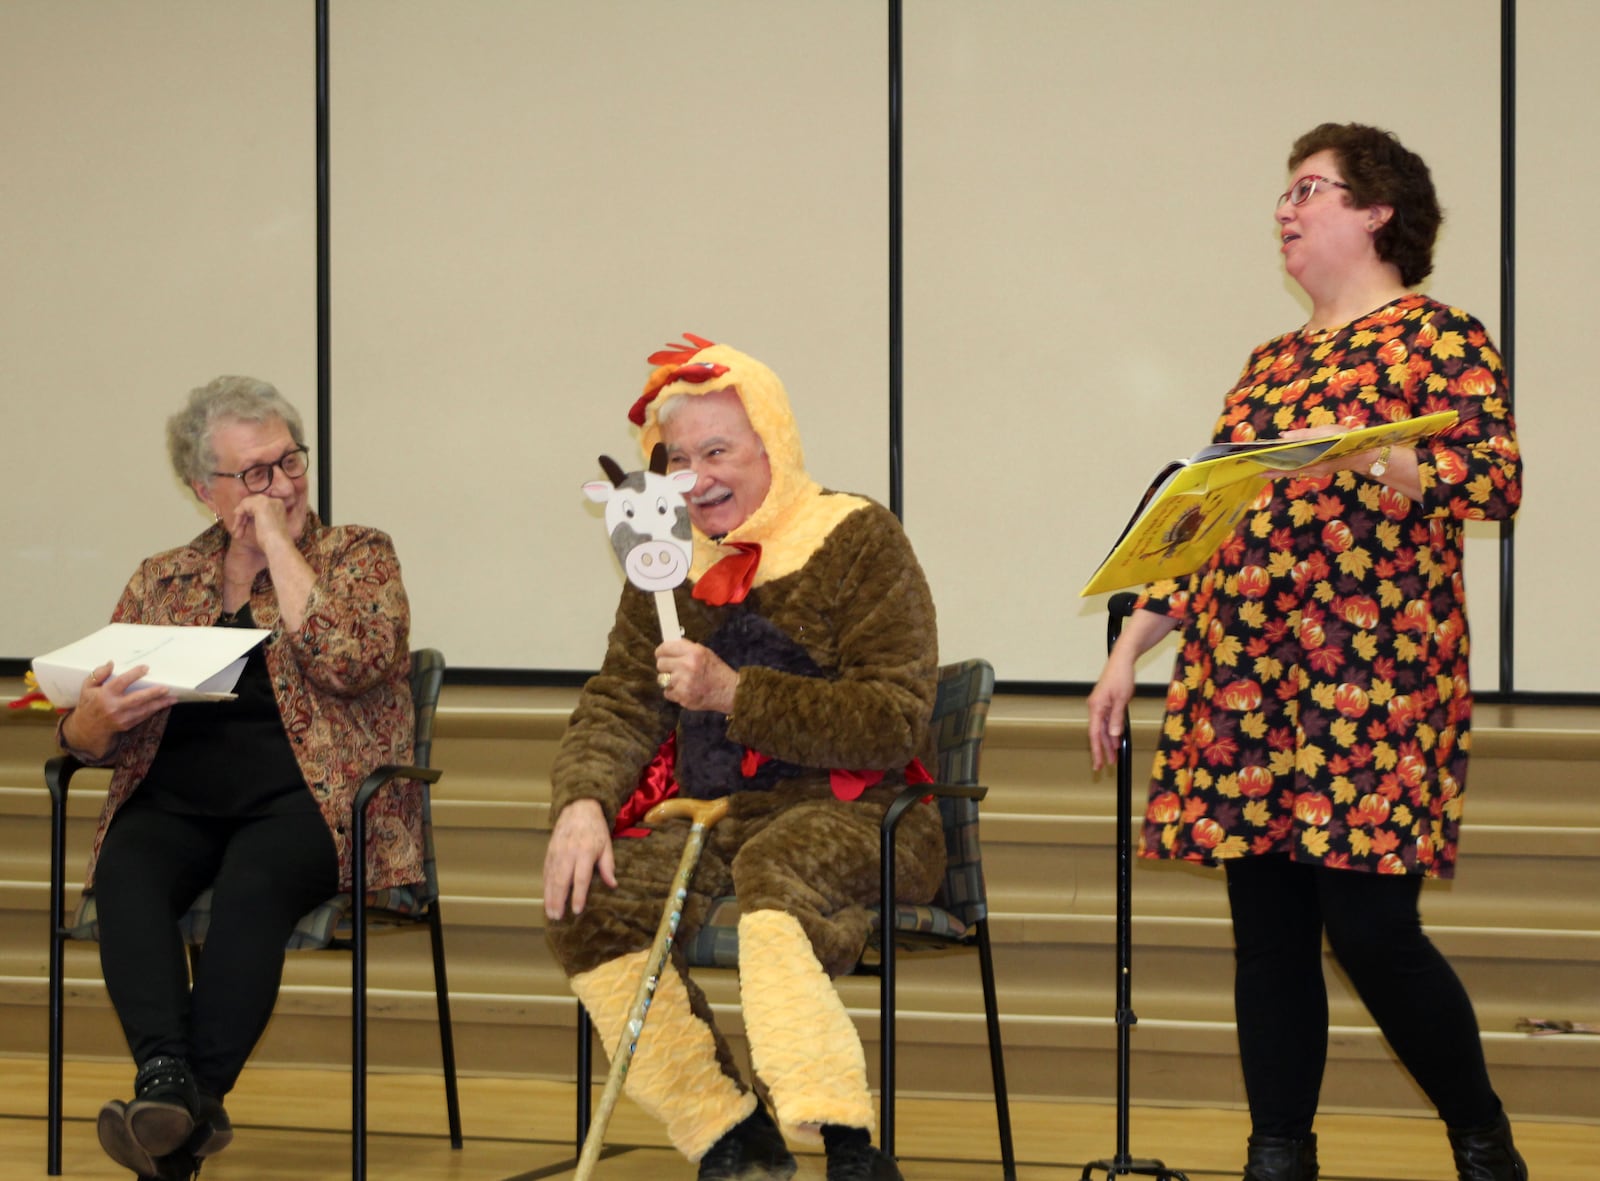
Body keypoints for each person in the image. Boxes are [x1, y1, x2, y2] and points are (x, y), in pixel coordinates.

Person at [1087, 124, 1526, 1181]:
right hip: (1245, 678)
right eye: (1283, 194)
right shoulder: (1269, 364)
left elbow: (1492, 482)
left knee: (1371, 929)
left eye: (1309, 190)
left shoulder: (1440, 337)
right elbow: (1209, 519)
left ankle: (1481, 1135)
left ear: (1378, 209)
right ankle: (1276, 1152)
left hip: (1373, 677)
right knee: (1269, 933)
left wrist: (1384, 454)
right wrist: (1129, 648)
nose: (1285, 209)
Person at [543, 335, 945, 1181]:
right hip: (716, 816)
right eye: (677, 459)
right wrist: (581, 801)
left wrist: (735, 693)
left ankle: (850, 1145)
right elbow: (620, 697)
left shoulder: (857, 538)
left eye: (718, 451)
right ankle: (728, 1134)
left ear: (775, 444)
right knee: (590, 905)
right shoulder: (666, 559)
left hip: (867, 812)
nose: (697, 477)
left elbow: (894, 721)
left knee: (776, 875)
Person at [56, 376, 419, 1181]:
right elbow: (94, 739)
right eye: (253, 474)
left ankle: (179, 1115)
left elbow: (353, 661)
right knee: (126, 865)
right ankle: (170, 1086)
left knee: (254, 885)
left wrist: (280, 547)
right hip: (177, 797)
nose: (281, 484)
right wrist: (87, 724)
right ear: (204, 490)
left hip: (312, 801)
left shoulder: (358, 554)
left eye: (289, 461)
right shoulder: (164, 578)